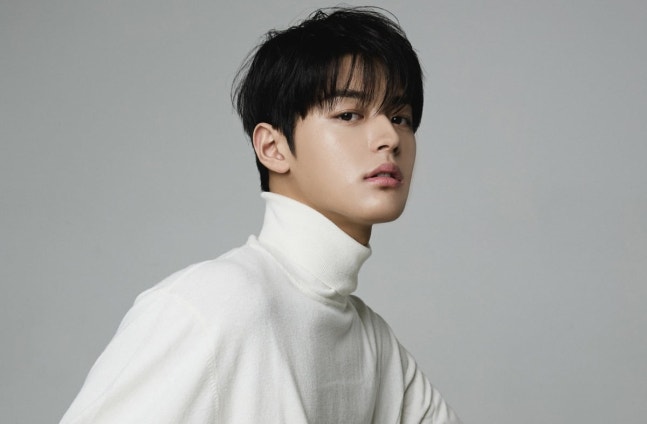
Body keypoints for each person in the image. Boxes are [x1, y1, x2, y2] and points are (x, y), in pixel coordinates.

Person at [61, 7, 461, 423]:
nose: (390, 137)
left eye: (400, 118)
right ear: (272, 147)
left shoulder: (371, 343)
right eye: (348, 115)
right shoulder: (211, 306)